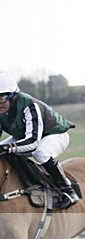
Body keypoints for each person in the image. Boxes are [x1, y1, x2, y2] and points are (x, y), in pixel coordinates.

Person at [0, 72, 79, 208]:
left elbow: (32, 143)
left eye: (2, 99)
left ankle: (68, 190)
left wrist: (7, 148)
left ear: (13, 97)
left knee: (41, 153)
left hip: (54, 134)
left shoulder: (29, 105)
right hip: (24, 135)